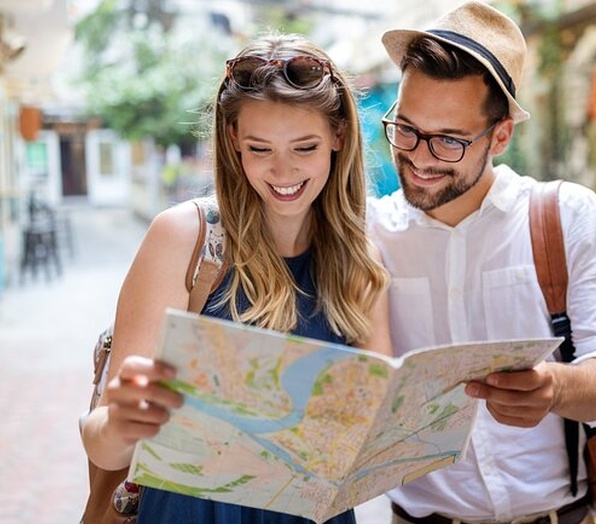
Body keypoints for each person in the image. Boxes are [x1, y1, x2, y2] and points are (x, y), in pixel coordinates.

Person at [80, 34, 391, 523]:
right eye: (259, 148)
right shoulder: (184, 238)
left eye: (304, 146)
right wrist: (122, 421)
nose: (282, 170)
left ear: (339, 137)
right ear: (232, 143)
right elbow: (104, 446)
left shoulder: (360, 258)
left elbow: (373, 427)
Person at [366, 2, 596, 523]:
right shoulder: (370, 234)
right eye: (405, 129)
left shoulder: (565, 216)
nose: (421, 158)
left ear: (500, 136)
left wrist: (555, 387)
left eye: (449, 140)